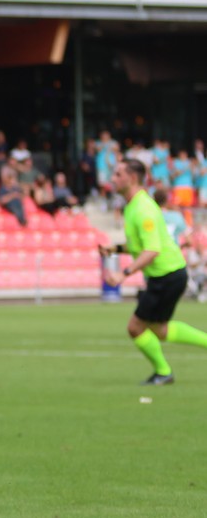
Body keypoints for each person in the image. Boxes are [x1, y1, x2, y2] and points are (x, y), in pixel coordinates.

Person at [100, 159, 207, 386]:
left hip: (167, 275)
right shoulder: (132, 206)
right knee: (159, 330)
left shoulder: (143, 208)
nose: (113, 179)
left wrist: (123, 274)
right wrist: (116, 249)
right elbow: (141, 246)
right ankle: (164, 372)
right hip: (166, 275)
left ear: (132, 178)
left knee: (136, 327)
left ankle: (163, 372)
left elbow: (152, 251)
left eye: (118, 174)